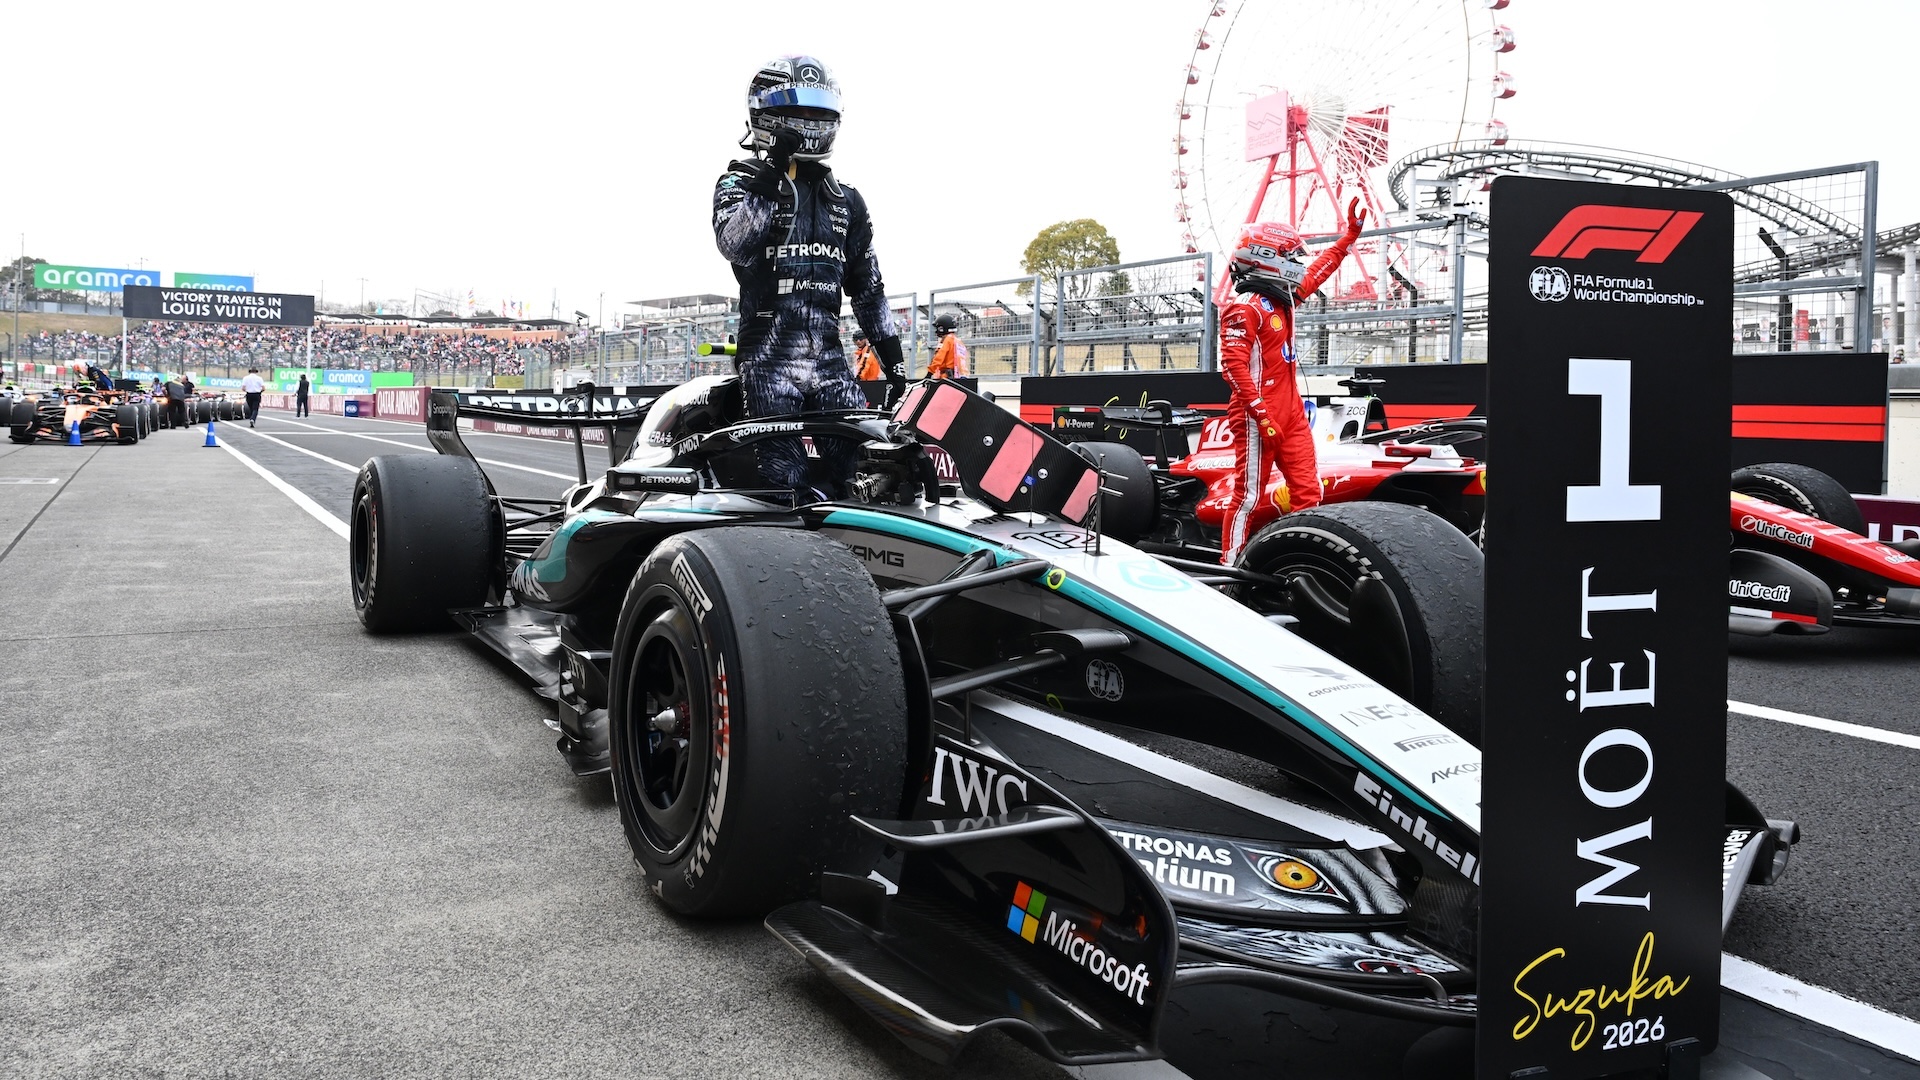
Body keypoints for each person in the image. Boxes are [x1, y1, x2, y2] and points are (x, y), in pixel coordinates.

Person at [713, 54, 906, 500]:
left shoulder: (847, 200)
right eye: (799, 113)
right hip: (768, 365)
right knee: (785, 486)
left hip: (831, 364)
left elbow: (868, 288)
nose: (810, 124)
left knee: (872, 472)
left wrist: (894, 363)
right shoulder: (738, 182)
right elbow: (734, 245)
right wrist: (772, 171)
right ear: (768, 117)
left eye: (819, 114)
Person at [1217, 197, 1368, 563]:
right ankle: (1229, 569)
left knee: (1308, 492)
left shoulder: (1283, 301)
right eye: (1290, 258)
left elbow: (1318, 270)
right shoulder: (1244, 307)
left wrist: (1348, 237)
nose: (1297, 267)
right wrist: (1262, 416)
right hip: (1256, 418)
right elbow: (1232, 368)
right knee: (1248, 497)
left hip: (1291, 413)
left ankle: (1302, 561)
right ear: (1266, 258)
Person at [926, 313, 968, 379]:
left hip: (948, 377)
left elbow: (939, 358)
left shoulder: (947, 340)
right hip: (959, 376)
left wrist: (929, 374)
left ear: (942, 328)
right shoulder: (958, 341)